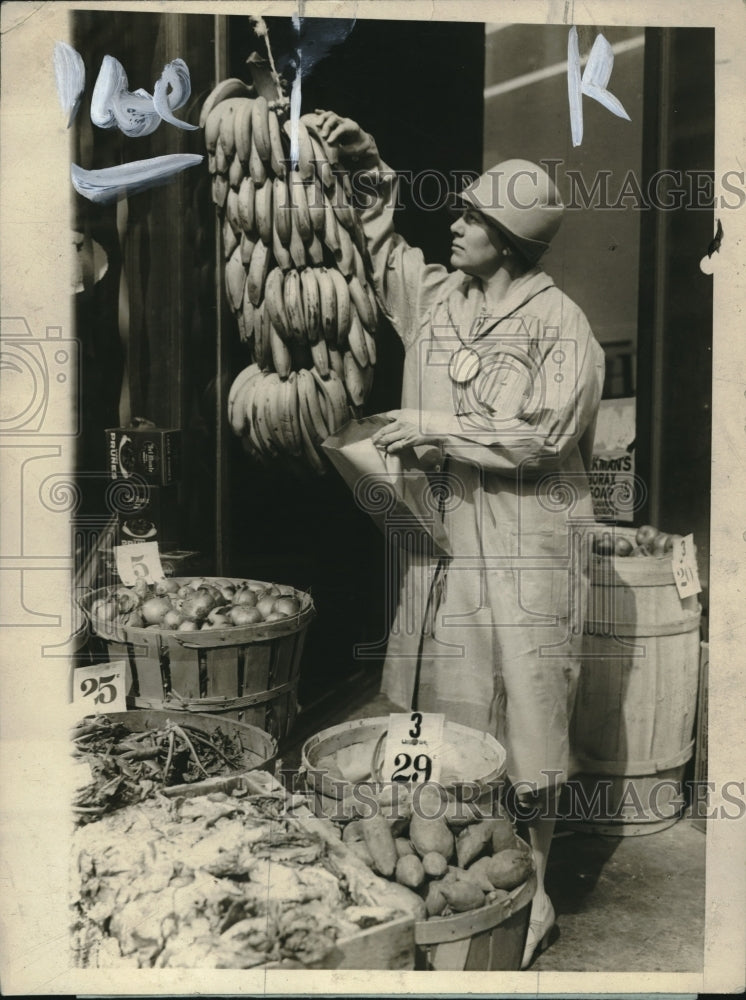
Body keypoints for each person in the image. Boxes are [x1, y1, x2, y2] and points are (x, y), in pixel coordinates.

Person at [312, 111, 605, 968]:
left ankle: (533, 886)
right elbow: (381, 244)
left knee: (529, 711)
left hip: (525, 546)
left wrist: (437, 427)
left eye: (473, 218)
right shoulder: (442, 301)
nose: (457, 224)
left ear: (509, 240)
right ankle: (425, 865)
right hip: (444, 541)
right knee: (432, 692)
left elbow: (543, 437)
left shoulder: (564, 327)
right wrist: (364, 161)